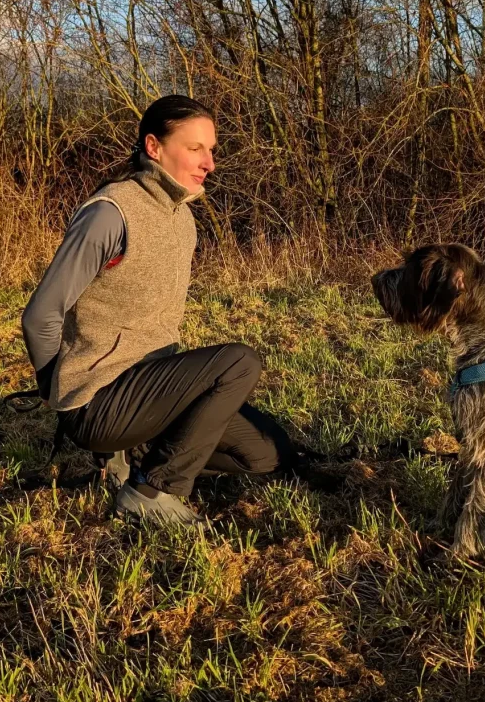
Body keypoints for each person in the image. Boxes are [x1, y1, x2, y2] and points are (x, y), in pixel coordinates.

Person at [21, 95, 306, 525]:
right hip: (99, 398)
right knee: (238, 363)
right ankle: (152, 489)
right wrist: (58, 393)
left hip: (151, 385)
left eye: (211, 150)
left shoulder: (181, 216)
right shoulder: (110, 213)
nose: (209, 162)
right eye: (196, 149)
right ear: (154, 148)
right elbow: (40, 314)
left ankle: (132, 456)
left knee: (266, 454)